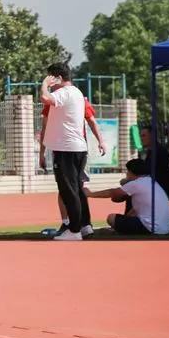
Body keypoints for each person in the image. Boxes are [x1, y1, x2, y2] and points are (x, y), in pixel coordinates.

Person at [39, 93, 106, 235]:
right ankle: (77, 224)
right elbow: (45, 128)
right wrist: (42, 152)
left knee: (70, 188)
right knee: (72, 188)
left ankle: (76, 225)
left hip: (68, 149)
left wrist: (101, 141)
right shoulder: (60, 101)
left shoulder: (75, 100)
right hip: (73, 149)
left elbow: (92, 121)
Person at [41, 63, 92, 241]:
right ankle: (85, 226)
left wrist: (44, 84)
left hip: (66, 149)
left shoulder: (64, 92)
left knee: (68, 191)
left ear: (58, 78)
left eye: (51, 78)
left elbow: (45, 98)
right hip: (77, 148)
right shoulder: (77, 92)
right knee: (76, 189)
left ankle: (75, 230)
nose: (51, 82)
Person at [84, 159, 169, 235]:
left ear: (131, 172)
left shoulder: (136, 183)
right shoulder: (151, 182)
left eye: (127, 171)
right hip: (164, 228)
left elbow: (113, 192)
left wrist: (90, 194)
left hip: (151, 228)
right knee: (128, 215)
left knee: (111, 218)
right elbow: (135, 209)